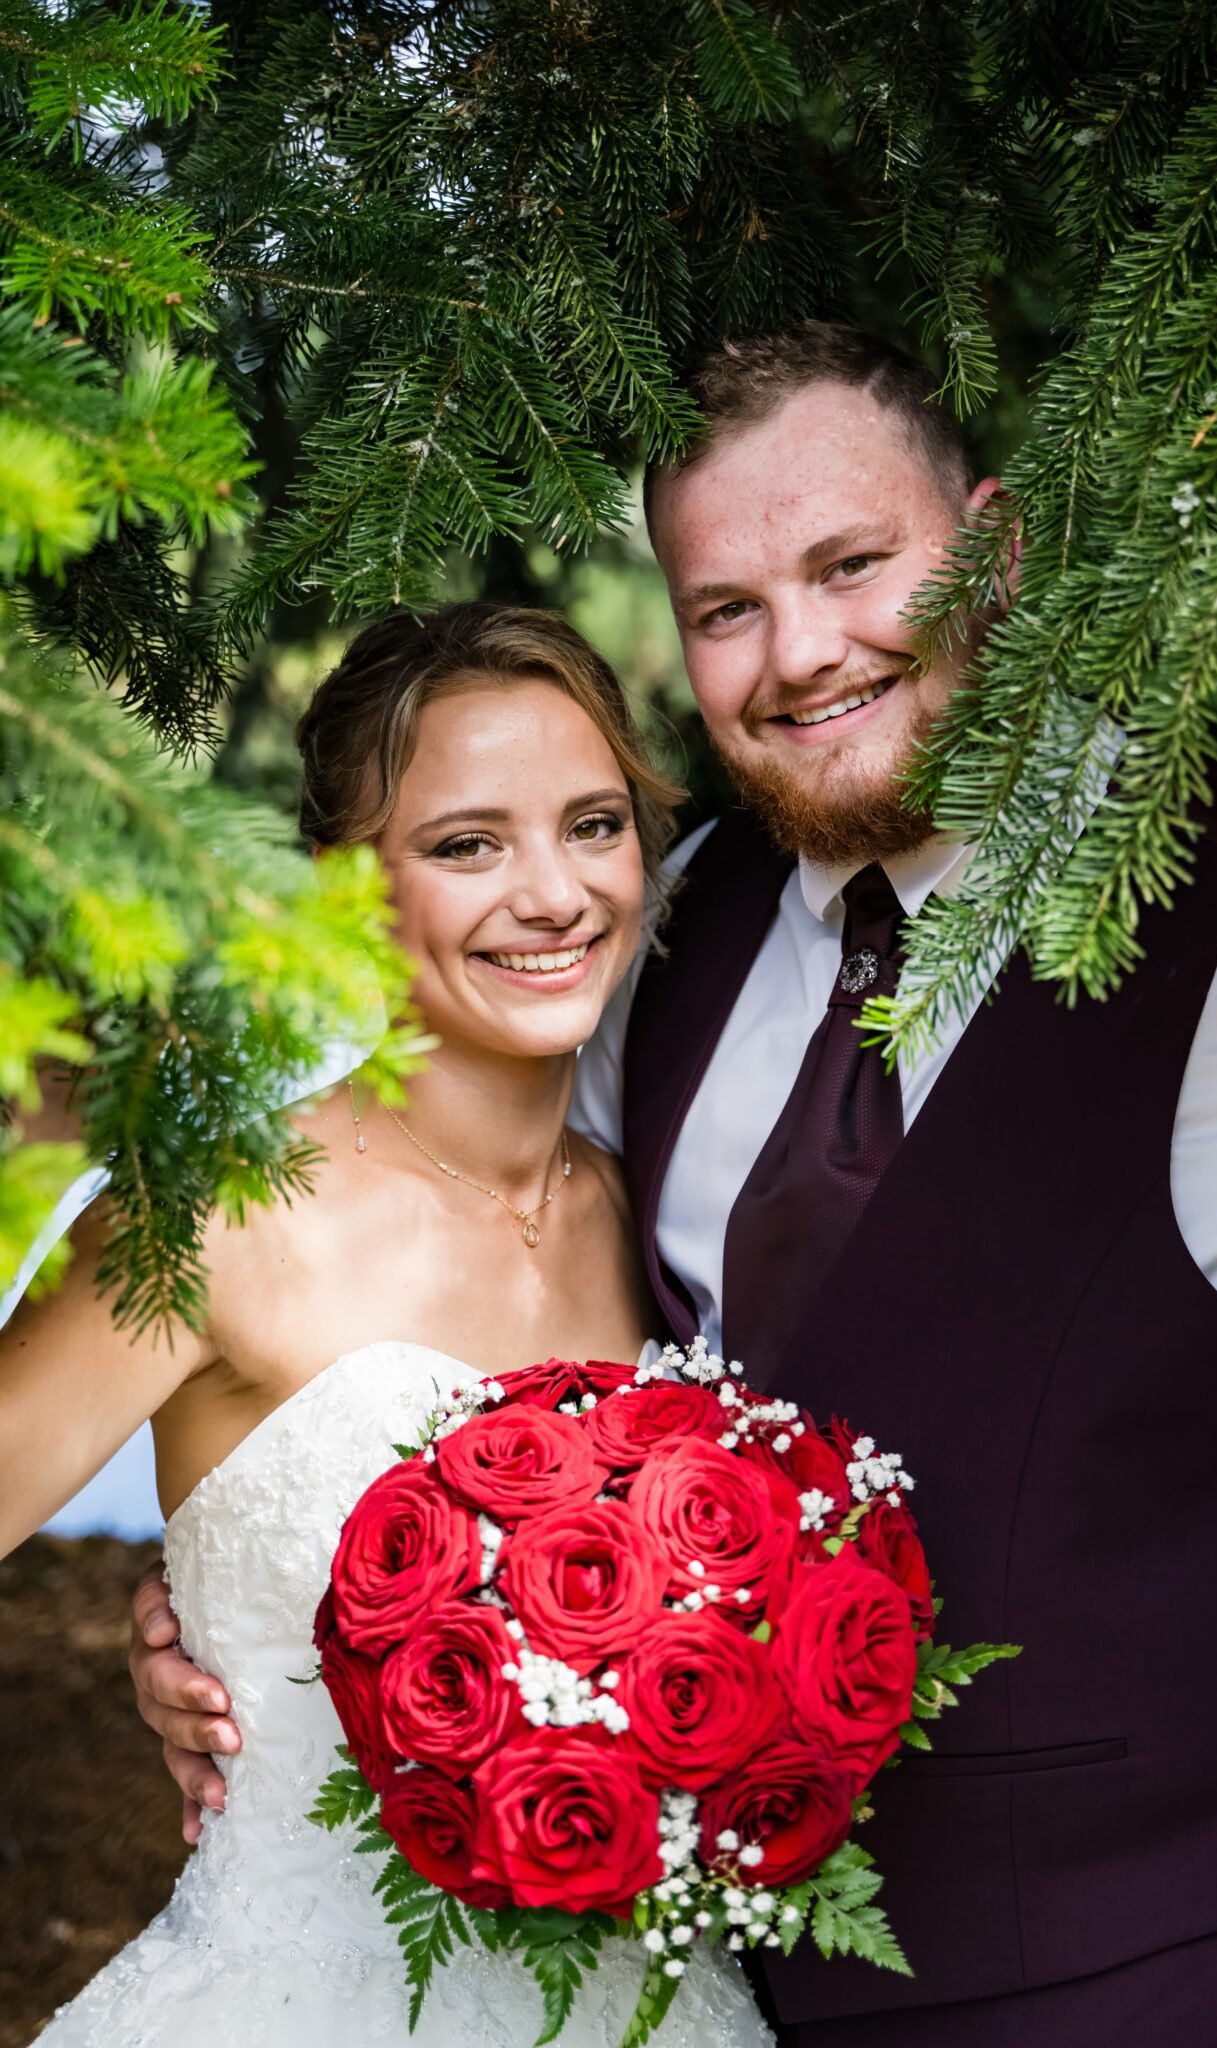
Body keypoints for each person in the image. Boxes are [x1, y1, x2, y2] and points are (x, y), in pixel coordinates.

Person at [132, 323, 1217, 2046]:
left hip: (1178, 1975)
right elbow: (500, 1348)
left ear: (994, 552)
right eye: (726, 609)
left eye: (855, 568)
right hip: (707, 1982)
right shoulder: (669, 922)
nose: (799, 654)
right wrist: (230, 1605)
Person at [3, 603, 771, 2047]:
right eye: (467, 843)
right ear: (344, 890)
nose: (553, 895)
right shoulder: (226, 1212)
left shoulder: (651, 1212)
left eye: (594, 824)